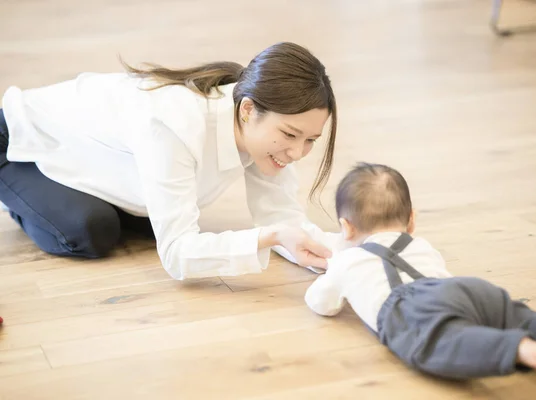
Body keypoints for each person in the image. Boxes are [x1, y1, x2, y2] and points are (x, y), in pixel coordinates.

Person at [0, 42, 343, 280]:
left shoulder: (265, 127)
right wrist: (271, 237)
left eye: (311, 140)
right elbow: (178, 256)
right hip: (17, 136)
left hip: (101, 159)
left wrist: (346, 252)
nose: (298, 153)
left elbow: (281, 218)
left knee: (152, 223)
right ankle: (15, 192)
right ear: (248, 110)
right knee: (92, 231)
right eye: (289, 135)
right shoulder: (174, 125)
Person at [304, 162, 536, 380]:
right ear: (411, 221)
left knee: (444, 343)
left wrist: (335, 266)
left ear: (346, 228)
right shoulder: (421, 245)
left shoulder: (346, 262)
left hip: (409, 307)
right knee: (519, 316)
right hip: (463, 289)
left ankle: (515, 349)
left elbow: (321, 303)